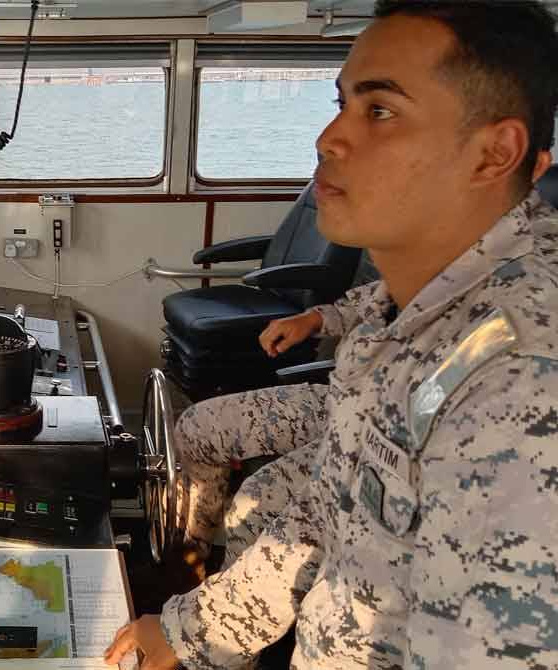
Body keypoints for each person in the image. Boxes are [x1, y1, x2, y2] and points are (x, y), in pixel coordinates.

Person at [107, 1, 558, 667]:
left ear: (495, 153)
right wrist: (187, 631)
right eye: (341, 102)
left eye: (379, 110)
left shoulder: (520, 383)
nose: (328, 137)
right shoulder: (426, 303)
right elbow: (337, 506)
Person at [176, 284, 376, 574]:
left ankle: (224, 601)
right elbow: (378, 300)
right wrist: (318, 318)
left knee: (254, 506)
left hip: (380, 434)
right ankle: (193, 555)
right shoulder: (415, 270)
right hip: (340, 399)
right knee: (196, 427)